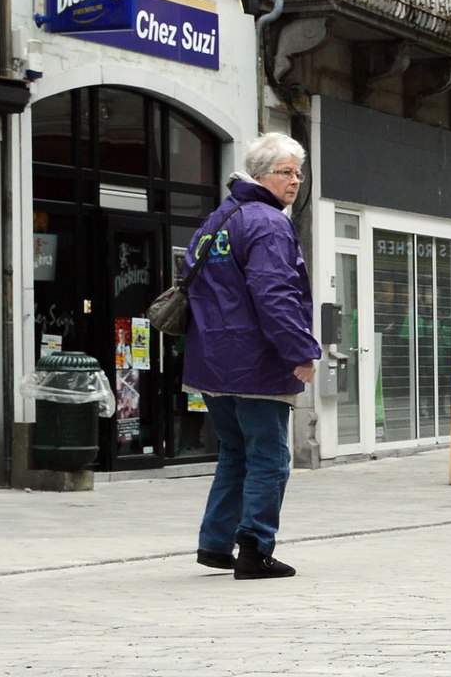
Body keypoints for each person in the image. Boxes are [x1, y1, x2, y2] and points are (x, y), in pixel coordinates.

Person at [184, 132, 321, 580]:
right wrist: (301, 351)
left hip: (211, 361)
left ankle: (215, 544)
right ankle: (255, 549)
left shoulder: (216, 221)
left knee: (234, 452)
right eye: (286, 172)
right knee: (269, 457)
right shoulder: (267, 222)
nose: (295, 181)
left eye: (298, 173)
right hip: (256, 362)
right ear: (259, 173)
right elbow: (275, 294)